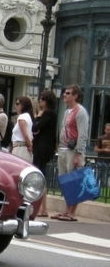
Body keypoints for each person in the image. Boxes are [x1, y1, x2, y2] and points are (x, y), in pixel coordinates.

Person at [53, 85, 89, 222]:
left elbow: (83, 134)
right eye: (65, 93)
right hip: (63, 149)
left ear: (75, 96)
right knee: (65, 181)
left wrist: (79, 153)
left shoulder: (80, 112)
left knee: (74, 180)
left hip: (73, 150)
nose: (65, 95)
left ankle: (71, 212)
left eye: (68, 93)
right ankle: (66, 210)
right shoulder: (68, 111)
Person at [32, 90, 58, 217]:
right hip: (40, 146)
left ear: (48, 101)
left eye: (43, 99)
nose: (40, 101)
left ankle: (43, 208)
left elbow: (35, 127)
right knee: (40, 174)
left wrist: (38, 117)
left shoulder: (49, 114)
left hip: (43, 147)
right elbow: (35, 129)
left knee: (40, 175)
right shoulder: (47, 114)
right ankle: (42, 207)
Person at [9, 96, 34, 162]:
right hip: (23, 148)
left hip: (20, 148)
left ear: (23, 105)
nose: (15, 106)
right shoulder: (28, 116)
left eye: (17, 104)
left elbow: (25, 135)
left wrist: (30, 146)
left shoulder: (22, 117)